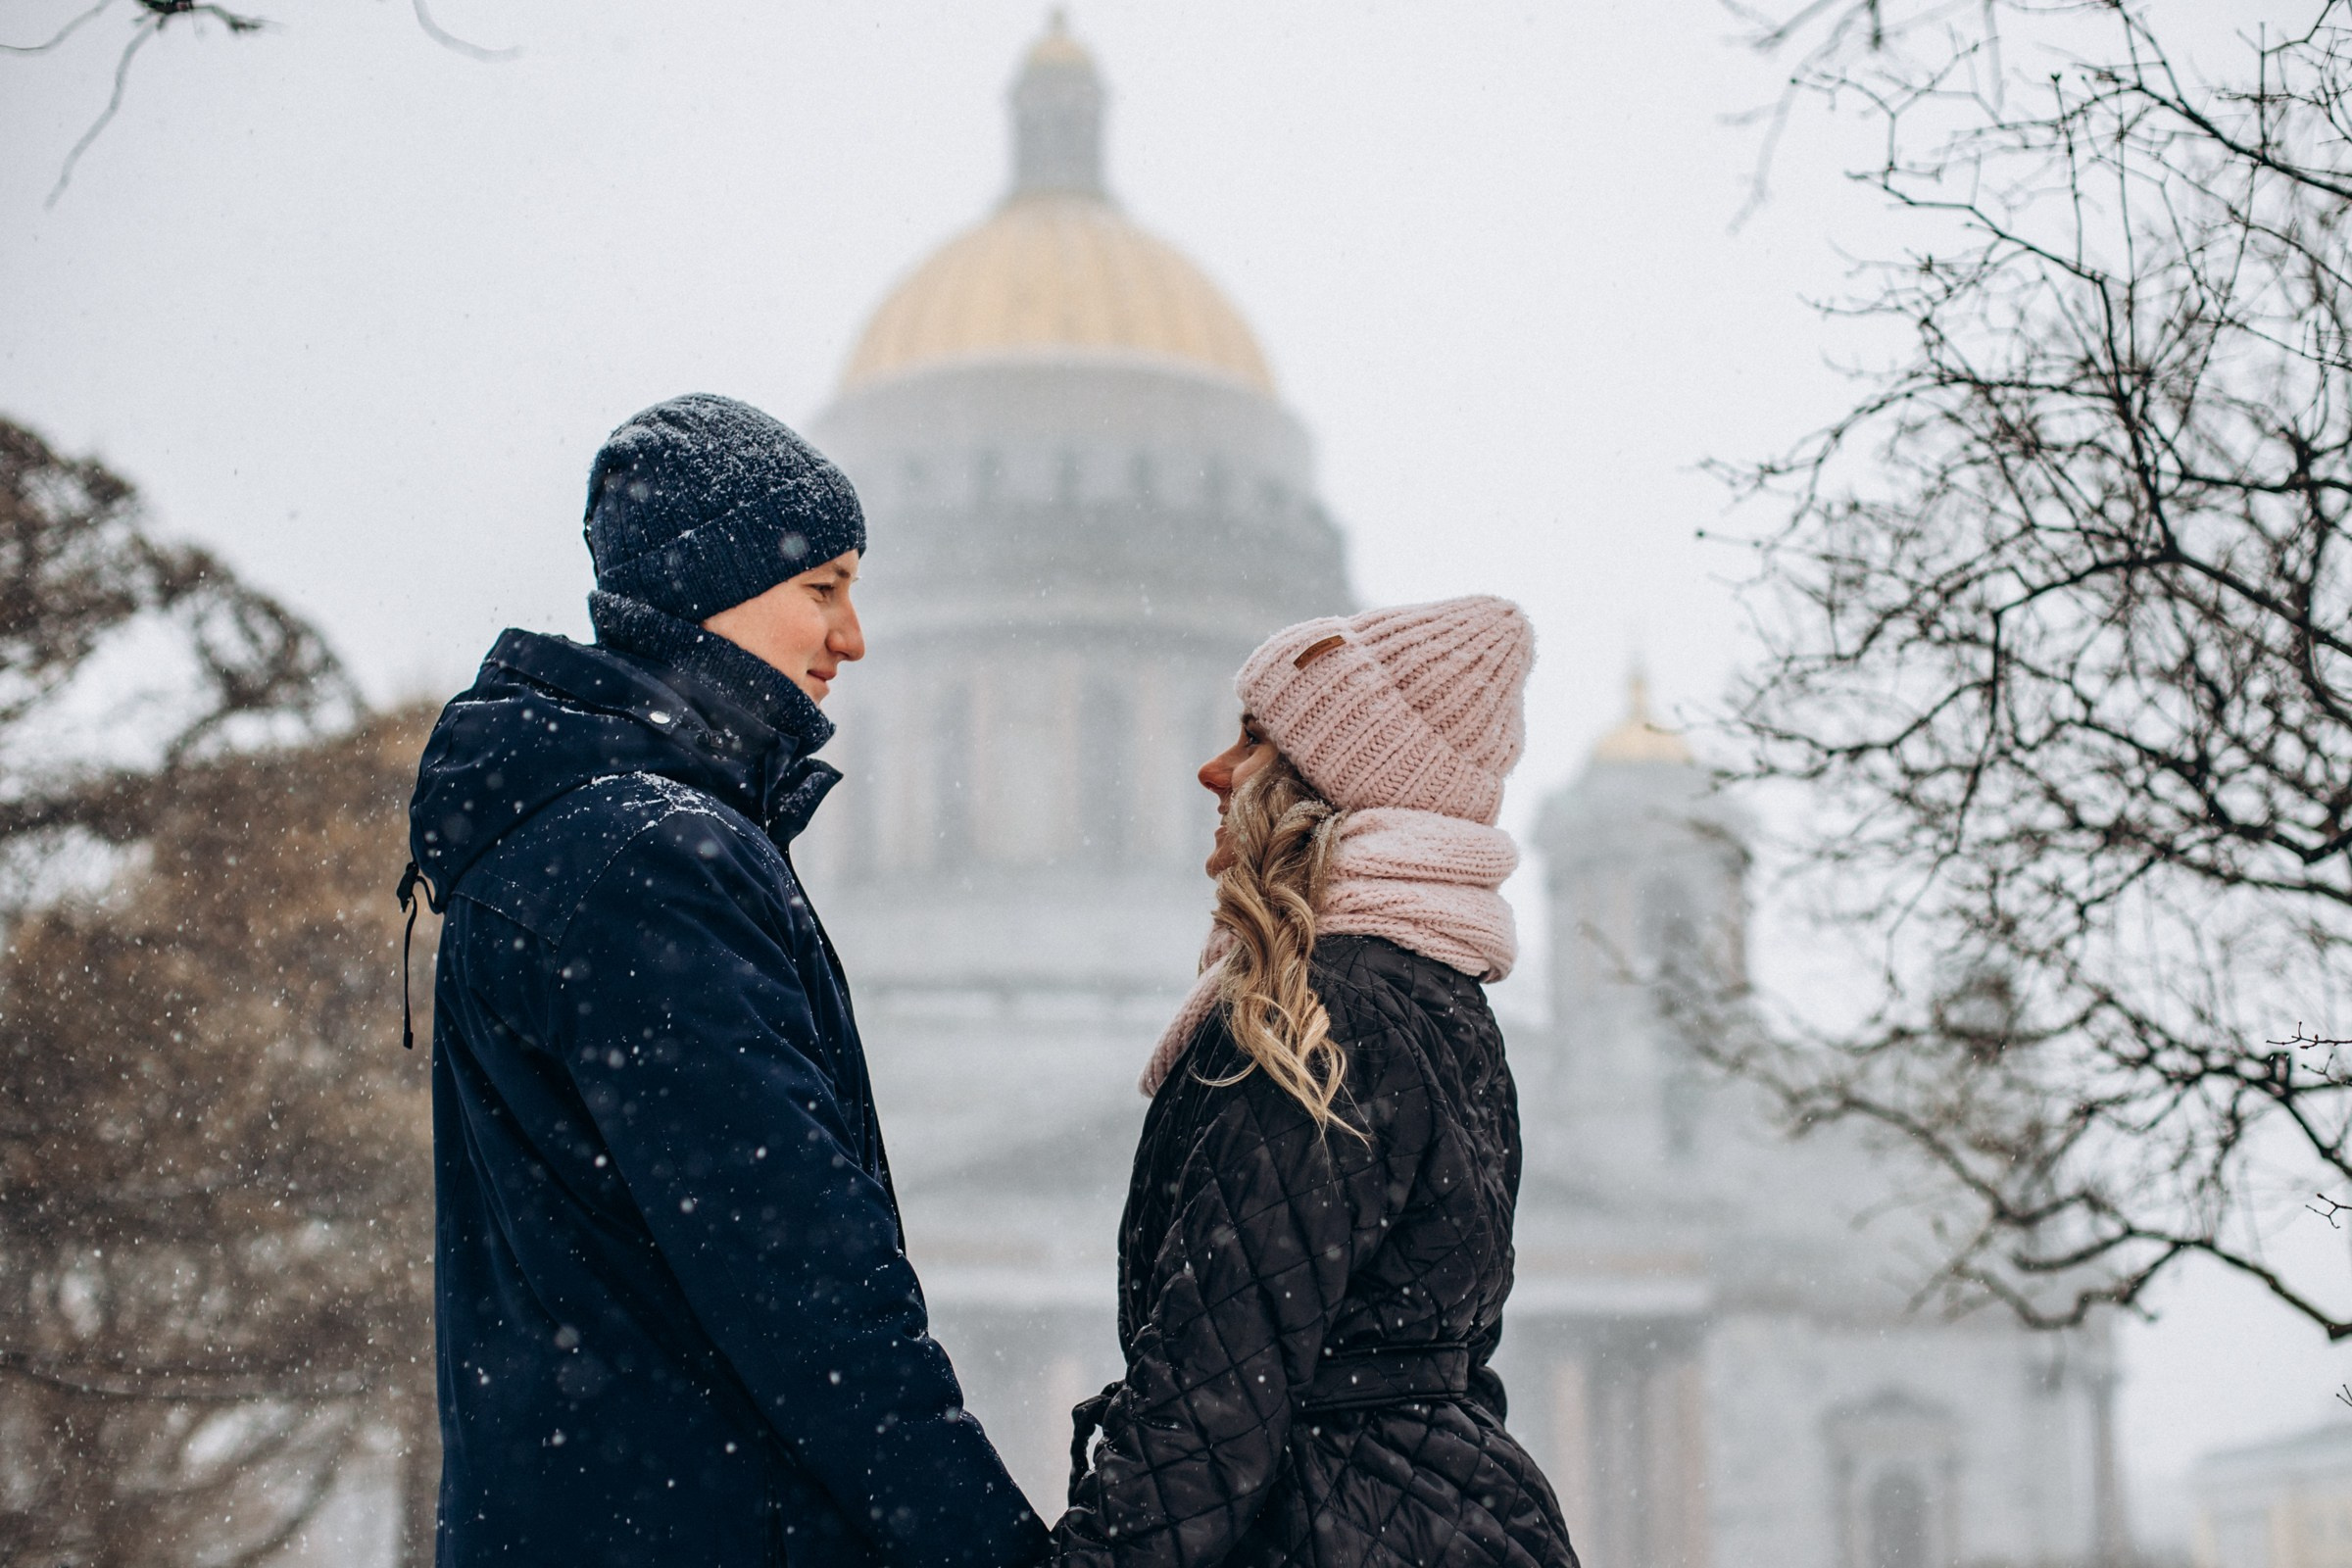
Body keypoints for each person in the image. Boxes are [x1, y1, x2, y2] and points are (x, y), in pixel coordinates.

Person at [404, 394, 1047, 1568]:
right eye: (824, 587)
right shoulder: (653, 862)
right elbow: (809, 1288)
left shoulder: (576, 832)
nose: (853, 637)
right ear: (716, 584)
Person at [1054, 597, 1579, 1568]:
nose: (1215, 770)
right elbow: (1450, 1351)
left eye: (1256, 740)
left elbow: (1214, 1395)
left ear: (1331, 782)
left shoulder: (1310, 1015)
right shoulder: (1437, 999)